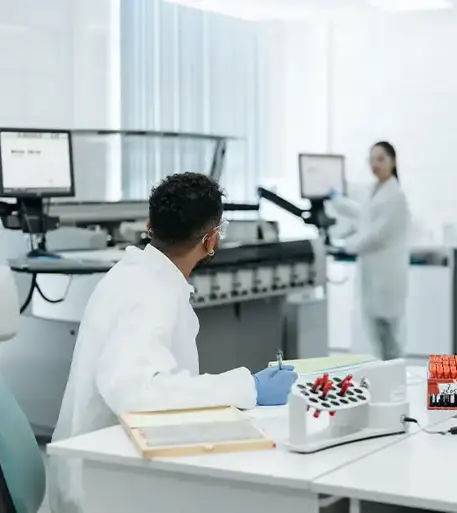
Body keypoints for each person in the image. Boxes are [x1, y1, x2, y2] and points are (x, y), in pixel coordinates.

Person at [49, 172, 297, 513]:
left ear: (150, 225)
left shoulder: (139, 275)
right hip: (102, 487)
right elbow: (140, 394)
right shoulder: (148, 294)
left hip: (118, 461)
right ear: (211, 241)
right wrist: (247, 387)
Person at [330, 141, 411, 360]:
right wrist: (337, 201)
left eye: (381, 159)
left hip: (386, 278)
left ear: (392, 162)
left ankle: (395, 381)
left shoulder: (395, 196)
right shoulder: (377, 190)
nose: (375, 164)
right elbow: (364, 215)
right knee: (377, 335)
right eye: (371, 159)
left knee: (388, 338)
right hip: (374, 276)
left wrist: (345, 246)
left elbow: (377, 235)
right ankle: (386, 378)